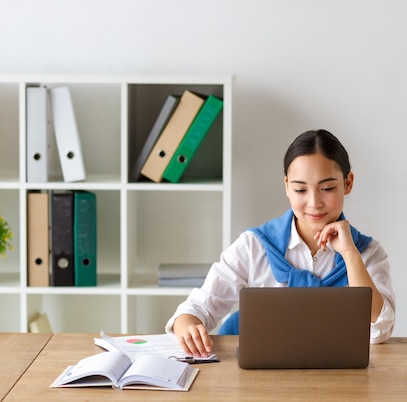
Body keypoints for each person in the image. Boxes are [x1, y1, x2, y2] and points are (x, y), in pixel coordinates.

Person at [165, 129, 395, 357]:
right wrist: (187, 325)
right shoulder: (254, 246)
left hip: (340, 382)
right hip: (260, 382)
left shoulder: (368, 253)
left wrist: (349, 253)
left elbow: (378, 331)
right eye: (300, 189)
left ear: (348, 183)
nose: (314, 202)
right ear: (287, 186)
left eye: (327, 188)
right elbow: (198, 307)